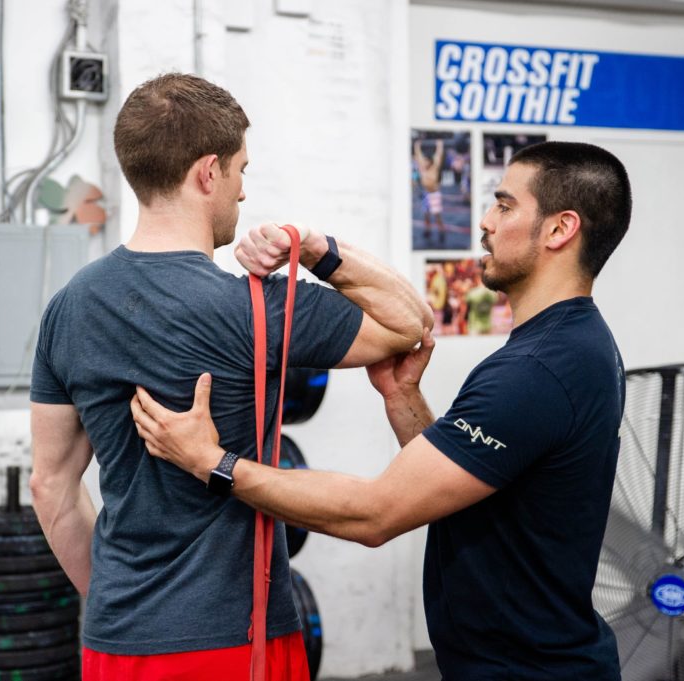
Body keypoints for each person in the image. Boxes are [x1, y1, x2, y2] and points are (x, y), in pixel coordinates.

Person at [131, 141, 633, 680]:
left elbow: (374, 514)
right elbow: (459, 492)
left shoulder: (539, 369)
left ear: (560, 230)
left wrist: (211, 461)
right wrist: (403, 400)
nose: (485, 221)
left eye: (505, 206)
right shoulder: (572, 345)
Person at [29, 72, 432, 680]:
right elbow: (410, 323)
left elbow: (50, 488)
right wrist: (317, 247)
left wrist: (122, 604)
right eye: (242, 172)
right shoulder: (254, 304)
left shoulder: (67, 307)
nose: (243, 194)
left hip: (117, 639)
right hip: (236, 641)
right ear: (208, 173)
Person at [414, 138, 446, 245]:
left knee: (437, 216)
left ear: (430, 161)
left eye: (427, 161)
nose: (425, 162)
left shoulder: (434, 167)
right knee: (426, 215)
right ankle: (427, 231)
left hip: (434, 194)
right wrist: (417, 145)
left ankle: (442, 233)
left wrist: (439, 145)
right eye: (425, 161)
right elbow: (418, 155)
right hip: (426, 194)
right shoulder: (422, 168)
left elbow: (438, 155)